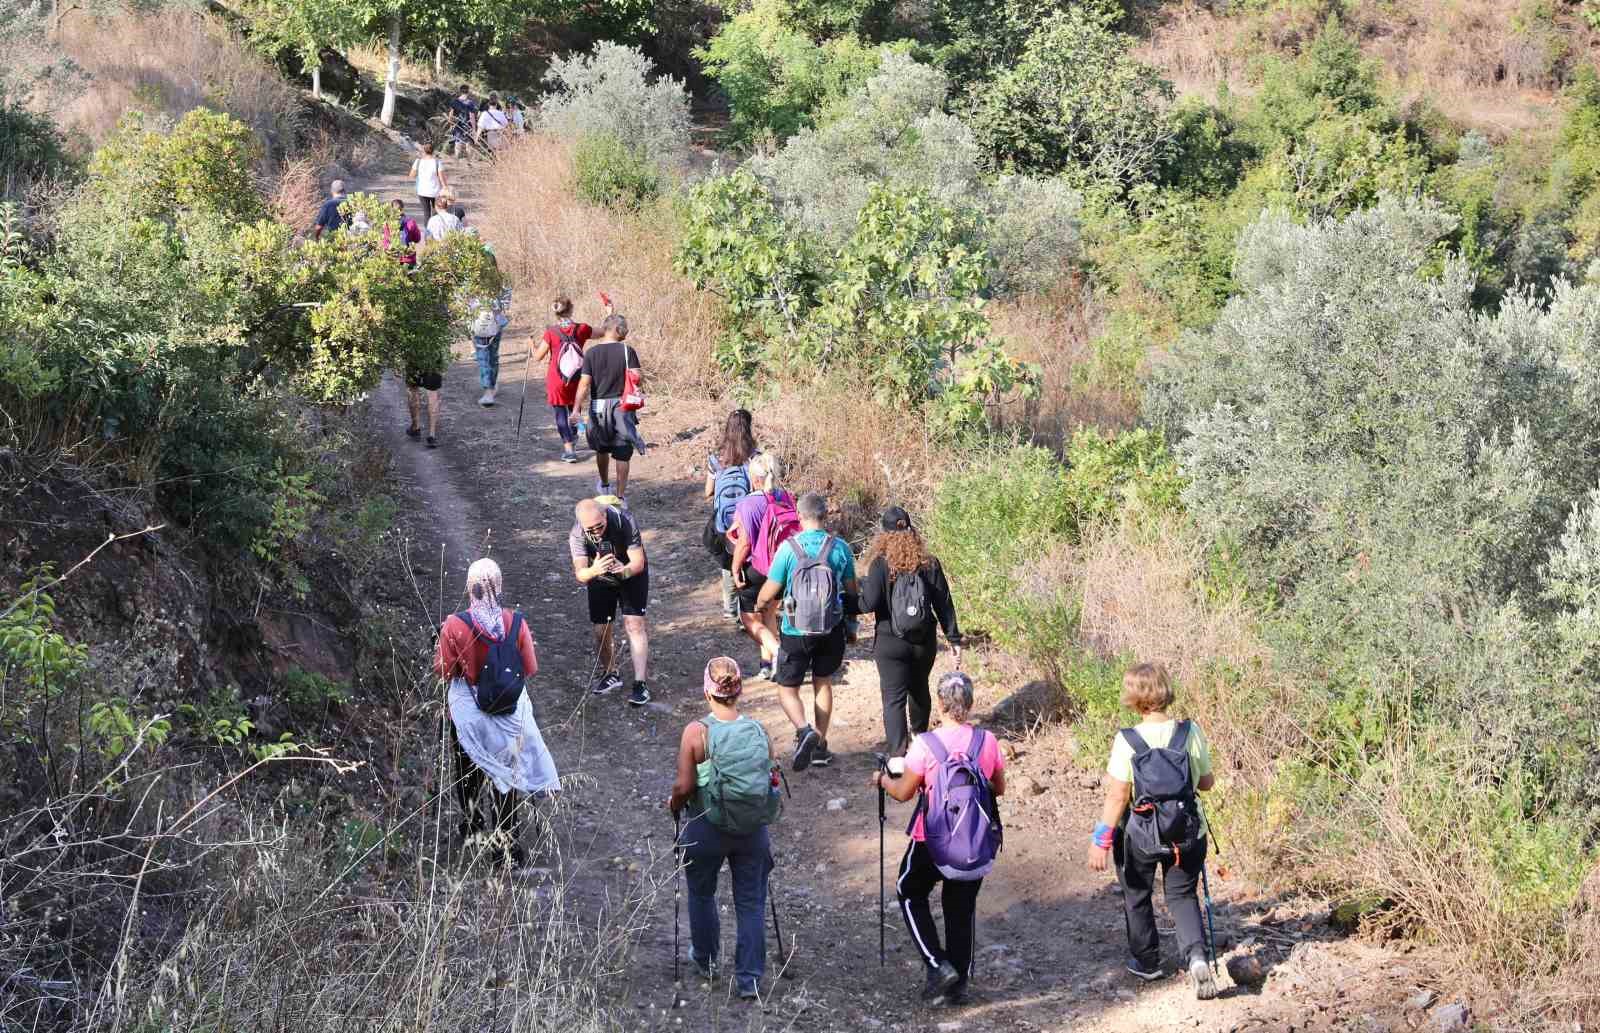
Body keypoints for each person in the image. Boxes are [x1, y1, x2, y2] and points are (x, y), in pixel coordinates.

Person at [872, 671, 1005, 1005]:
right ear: (970, 704)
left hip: (930, 839)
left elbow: (904, 792)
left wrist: (882, 781)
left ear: (940, 704)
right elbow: (998, 787)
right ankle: (958, 984)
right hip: (973, 839)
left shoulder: (926, 744)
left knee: (908, 890)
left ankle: (936, 964)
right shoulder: (986, 742)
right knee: (960, 907)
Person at [1087, 662, 1218, 1000]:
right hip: (1187, 832)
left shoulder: (1127, 740)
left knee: (1137, 892)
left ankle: (1147, 962)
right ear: (1165, 691)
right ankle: (1197, 957)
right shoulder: (1190, 731)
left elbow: (1118, 796)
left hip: (1142, 835)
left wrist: (1101, 841)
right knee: (1182, 895)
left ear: (1133, 697)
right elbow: (1206, 782)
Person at [432, 558, 560, 868]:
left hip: (470, 716)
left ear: (469, 587)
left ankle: (473, 829)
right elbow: (530, 668)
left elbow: (444, 670)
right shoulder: (516, 622)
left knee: (468, 773)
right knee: (507, 776)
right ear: (499, 586)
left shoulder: (455, 625)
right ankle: (507, 847)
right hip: (509, 715)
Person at [666, 657, 779, 1000]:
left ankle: (706, 960)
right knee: (750, 902)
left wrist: (673, 806)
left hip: (707, 826)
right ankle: (749, 979)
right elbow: (770, 777)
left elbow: (684, 787)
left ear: (707, 691)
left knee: (702, 893)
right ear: (739, 690)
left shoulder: (697, 732)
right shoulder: (759, 730)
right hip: (752, 831)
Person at [755, 491, 858, 771]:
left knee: (787, 689)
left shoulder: (789, 549)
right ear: (825, 516)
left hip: (795, 630)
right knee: (822, 682)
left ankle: (803, 730)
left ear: (799, 517)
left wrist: (760, 606)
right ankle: (821, 747)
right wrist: (851, 626)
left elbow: (770, 590)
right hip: (830, 629)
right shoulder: (840, 548)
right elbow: (851, 593)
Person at [859, 506, 963, 758]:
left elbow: (868, 603)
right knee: (919, 689)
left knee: (893, 699)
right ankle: (920, 742)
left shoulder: (880, 564)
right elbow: (944, 603)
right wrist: (954, 639)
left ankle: (897, 756)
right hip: (923, 642)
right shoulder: (929, 563)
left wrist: (846, 601)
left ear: (883, 534)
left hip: (889, 643)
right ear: (911, 529)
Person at [568, 497, 652, 706]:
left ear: (605, 514)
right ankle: (610, 673)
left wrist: (622, 571)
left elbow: (638, 563)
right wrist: (595, 570)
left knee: (634, 625)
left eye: (600, 526)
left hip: (629, 573)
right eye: (591, 530)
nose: (596, 532)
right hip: (599, 576)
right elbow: (580, 574)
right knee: (601, 629)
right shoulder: (577, 533)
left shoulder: (624, 520)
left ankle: (640, 683)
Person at [727, 453, 788, 682]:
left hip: (758, 569)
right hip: (783, 566)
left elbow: (744, 543)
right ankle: (768, 664)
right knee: (769, 613)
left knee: (751, 620)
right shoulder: (785, 497)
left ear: (754, 478)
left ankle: (780, 655)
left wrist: (734, 568)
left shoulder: (748, 504)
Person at [570, 314, 642, 502]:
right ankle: (620, 497)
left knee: (601, 449)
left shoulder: (592, 354)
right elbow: (637, 377)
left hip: (599, 408)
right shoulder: (628, 352)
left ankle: (604, 484)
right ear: (616, 329)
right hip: (623, 408)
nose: (626, 331)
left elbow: (584, 384)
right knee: (623, 453)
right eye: (624, 327)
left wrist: (576, 409)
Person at [703, 410, 758, 623]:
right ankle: (748, 610)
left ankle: (729, 609)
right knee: (747, 560)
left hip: (724, 523)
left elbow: (708, 491)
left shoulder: (716, 458)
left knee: (727, 563)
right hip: (747, 519)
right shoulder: (755, 457)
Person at [530, 295, 599, 463]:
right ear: (572, 309)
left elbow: (538, 357)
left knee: (560, 413)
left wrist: (531, 345)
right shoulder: (582, 329)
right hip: (577, 377)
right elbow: (605, 332)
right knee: (574, 407)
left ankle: (569, 449)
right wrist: (609, 312)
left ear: (556, 313)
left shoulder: (551, 332)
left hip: (557, 379)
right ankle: (574, 435)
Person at [468, 264, 512, 407]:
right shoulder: (501, 281)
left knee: (484, 358)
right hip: (495, 325)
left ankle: (489, 391)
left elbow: (467, 303)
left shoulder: (473, 281)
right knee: (492, 356)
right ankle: (491, 386)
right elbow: (506, 302)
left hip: (483, 325)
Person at [409, 141, 448, 225]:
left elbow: (411, 175)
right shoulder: (437, 162)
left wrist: (419, 173)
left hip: (422, 191)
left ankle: (428, 233)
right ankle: (436, 231)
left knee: (426, 212)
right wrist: (445, 188)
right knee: (436, 212)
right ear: (433, 151)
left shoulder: (418, 161)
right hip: (435, 192)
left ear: (423, 150)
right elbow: (442, 178)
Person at [386, 198, 424, 268]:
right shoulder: (410, 222)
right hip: (408, 257)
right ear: (403, 208)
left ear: (392, 209)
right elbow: (417, 239)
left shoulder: (388, 223)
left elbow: (386, 241)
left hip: (392, 257)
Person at [448, 84, 477, 159]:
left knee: (457, 142)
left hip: (457, 125)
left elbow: (451, 115)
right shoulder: (470, 103)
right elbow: (472, 116)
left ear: (460, 91)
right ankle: (469, 160)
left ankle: (457, 159)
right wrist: (474, 129)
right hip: (468, 125)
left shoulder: (455, 101)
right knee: (469, 143)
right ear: (468, 91)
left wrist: (450, 125)